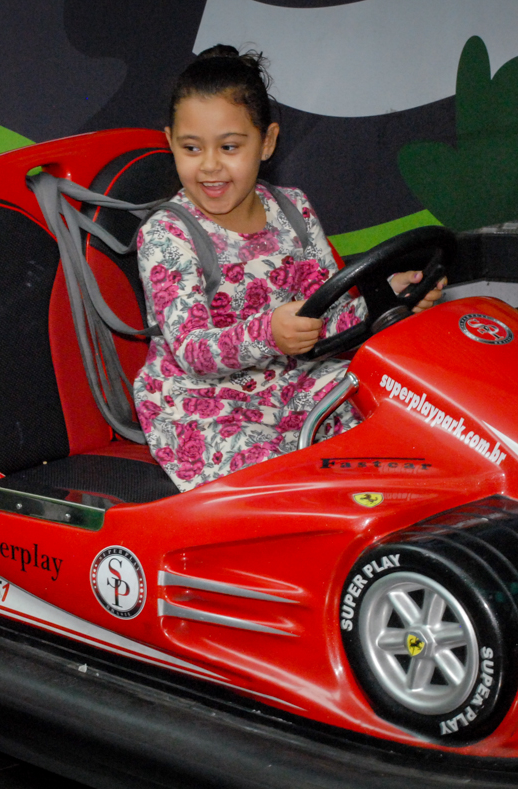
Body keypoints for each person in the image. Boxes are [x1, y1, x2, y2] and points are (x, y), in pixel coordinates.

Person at [133, 45, 444, 491]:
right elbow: (193, 351)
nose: (210, 165)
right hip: (204, 407)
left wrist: (388, 296)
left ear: (268, 142)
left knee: (401, 407)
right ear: (171, 144)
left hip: (291, 383)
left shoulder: (292, 209)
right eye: (191, 148)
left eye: (230, 146)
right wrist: (269, 333)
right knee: (289, 481)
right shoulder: (168, 234)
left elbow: (327, 318)